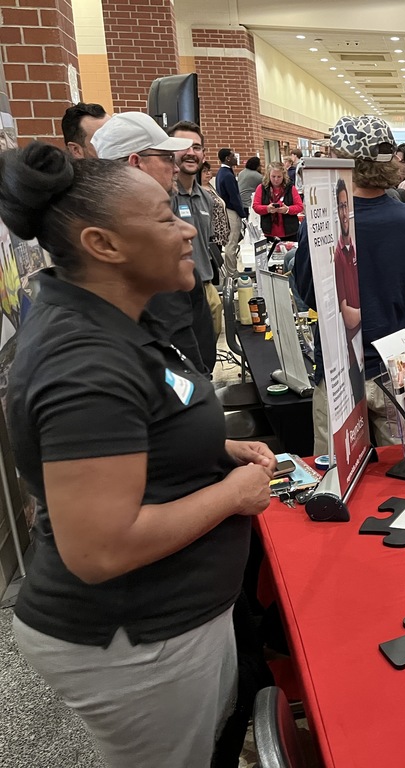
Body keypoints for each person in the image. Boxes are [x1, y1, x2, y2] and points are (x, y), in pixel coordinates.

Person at [1, 142, 275, 768]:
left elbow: (159, 410)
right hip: (135, 637)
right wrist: (231, 494)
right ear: (103, 245)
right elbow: (101, 549)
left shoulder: (125, 319)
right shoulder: (85, 363)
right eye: (163, 219)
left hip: (174, 618)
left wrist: (216, 445)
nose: (186, 230)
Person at [295, 115, 405, 451]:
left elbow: (309, 296)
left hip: (339, 370)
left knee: (339, 480)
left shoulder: (319, 226)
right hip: (395, 365)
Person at [91, 112, 216, 376]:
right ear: (136, 162)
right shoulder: (138, 236)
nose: (175, 167)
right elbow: (171, 331)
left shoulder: (112, 221)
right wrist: (198, 383)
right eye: (167, 158)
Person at [168, 121, 225, 336]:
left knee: (207, 359)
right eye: (183, 146)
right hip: (178, 292)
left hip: (207, 287)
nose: (191, 153)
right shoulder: (164, 196)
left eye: (197, 147)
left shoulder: (205, 198)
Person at [252, 161, 303, 241]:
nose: (276, 179)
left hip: (290, 232)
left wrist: (287, 210)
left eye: (279, 177)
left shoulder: (290, 188)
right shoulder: (261, 188)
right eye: (273, 176)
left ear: (283, 176)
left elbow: (299, 207)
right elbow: (256, 206)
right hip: (269, 232)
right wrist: (267, 209)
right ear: (269, 176)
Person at [216, 148, 245, 278]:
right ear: (228, 158)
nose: (235, 158)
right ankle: (232, 273)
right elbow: (234, 197)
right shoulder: (227, 175)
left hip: (227, 210)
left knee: (232, 242)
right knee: (231, 243)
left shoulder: (222, 172)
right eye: (233, 156)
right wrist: (242, 214)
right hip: (231, 211)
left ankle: (231, 271)